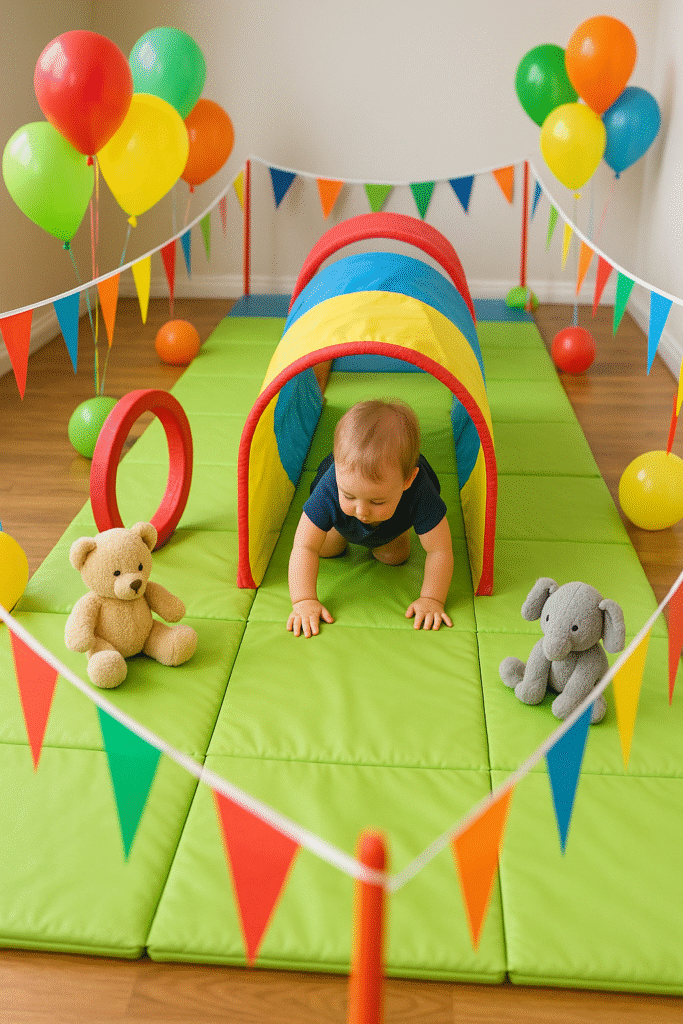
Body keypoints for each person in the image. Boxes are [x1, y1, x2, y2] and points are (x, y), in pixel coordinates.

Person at [287, 399, 454, 637]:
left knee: (395, 557)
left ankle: (394, 531)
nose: (362, 510)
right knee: (325, 548)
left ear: (407, 481)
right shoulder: (331, 485)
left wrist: (431, 598)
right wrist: (303, 601)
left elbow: (440, 550)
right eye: (350, 495)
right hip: (340, 519)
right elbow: (303, 545)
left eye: (377, 501)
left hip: (392, 522)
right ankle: (339, 524)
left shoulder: (420, 491)